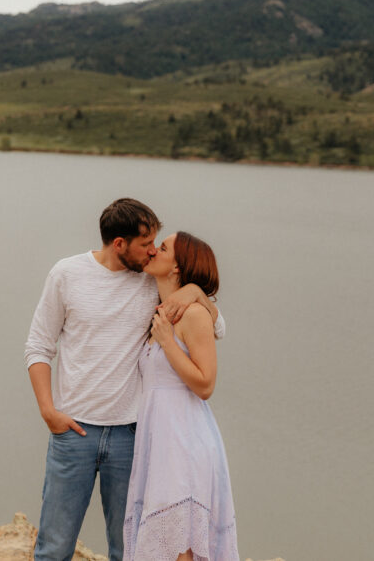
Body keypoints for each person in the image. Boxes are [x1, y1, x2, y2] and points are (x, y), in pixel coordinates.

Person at [25, 198, 224, 561]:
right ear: (119, 244)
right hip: (73, 433)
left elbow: (217, 325)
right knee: (53, 548)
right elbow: (38, 346)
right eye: (146, 242)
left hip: (131, 437)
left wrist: (194, 291)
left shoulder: (152, 282)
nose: (151, 251)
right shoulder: (66, 274)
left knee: (129, 549)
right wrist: (48, 412)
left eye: (156, 243)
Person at [122, 231, 238, 561]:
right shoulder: (162, 311)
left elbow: (205, 385)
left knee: (181, 547)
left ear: (177, 266)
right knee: (161, 544)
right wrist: (193, 292)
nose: (152, 252)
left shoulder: (194, 315)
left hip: (185, 442)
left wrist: (169, 344)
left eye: (162, 249)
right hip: (158, 443)